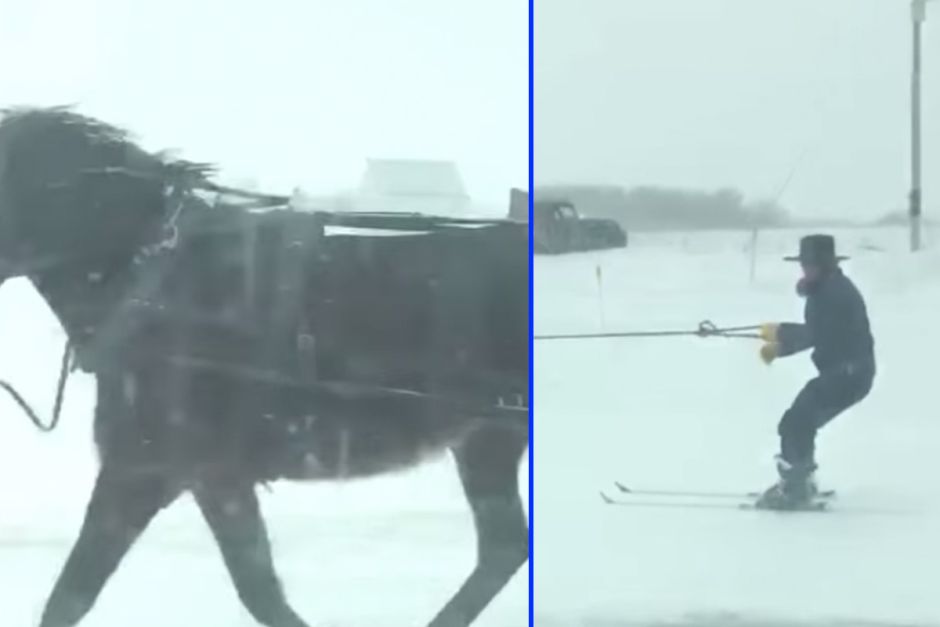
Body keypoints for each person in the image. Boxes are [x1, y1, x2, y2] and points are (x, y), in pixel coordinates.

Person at [755, 234, 875, 510]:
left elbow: (819, 333)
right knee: (802, 422)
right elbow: (819, 332)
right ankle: (801, 481)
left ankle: (795, 488)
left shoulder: (835, 293)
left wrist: (780, 337)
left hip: (848, 373)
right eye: (803, 264)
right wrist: (780, 343)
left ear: (825, 264)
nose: (805, 269)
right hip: (845, 372)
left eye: (811, 264)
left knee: (795, 424)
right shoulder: (826, 289)